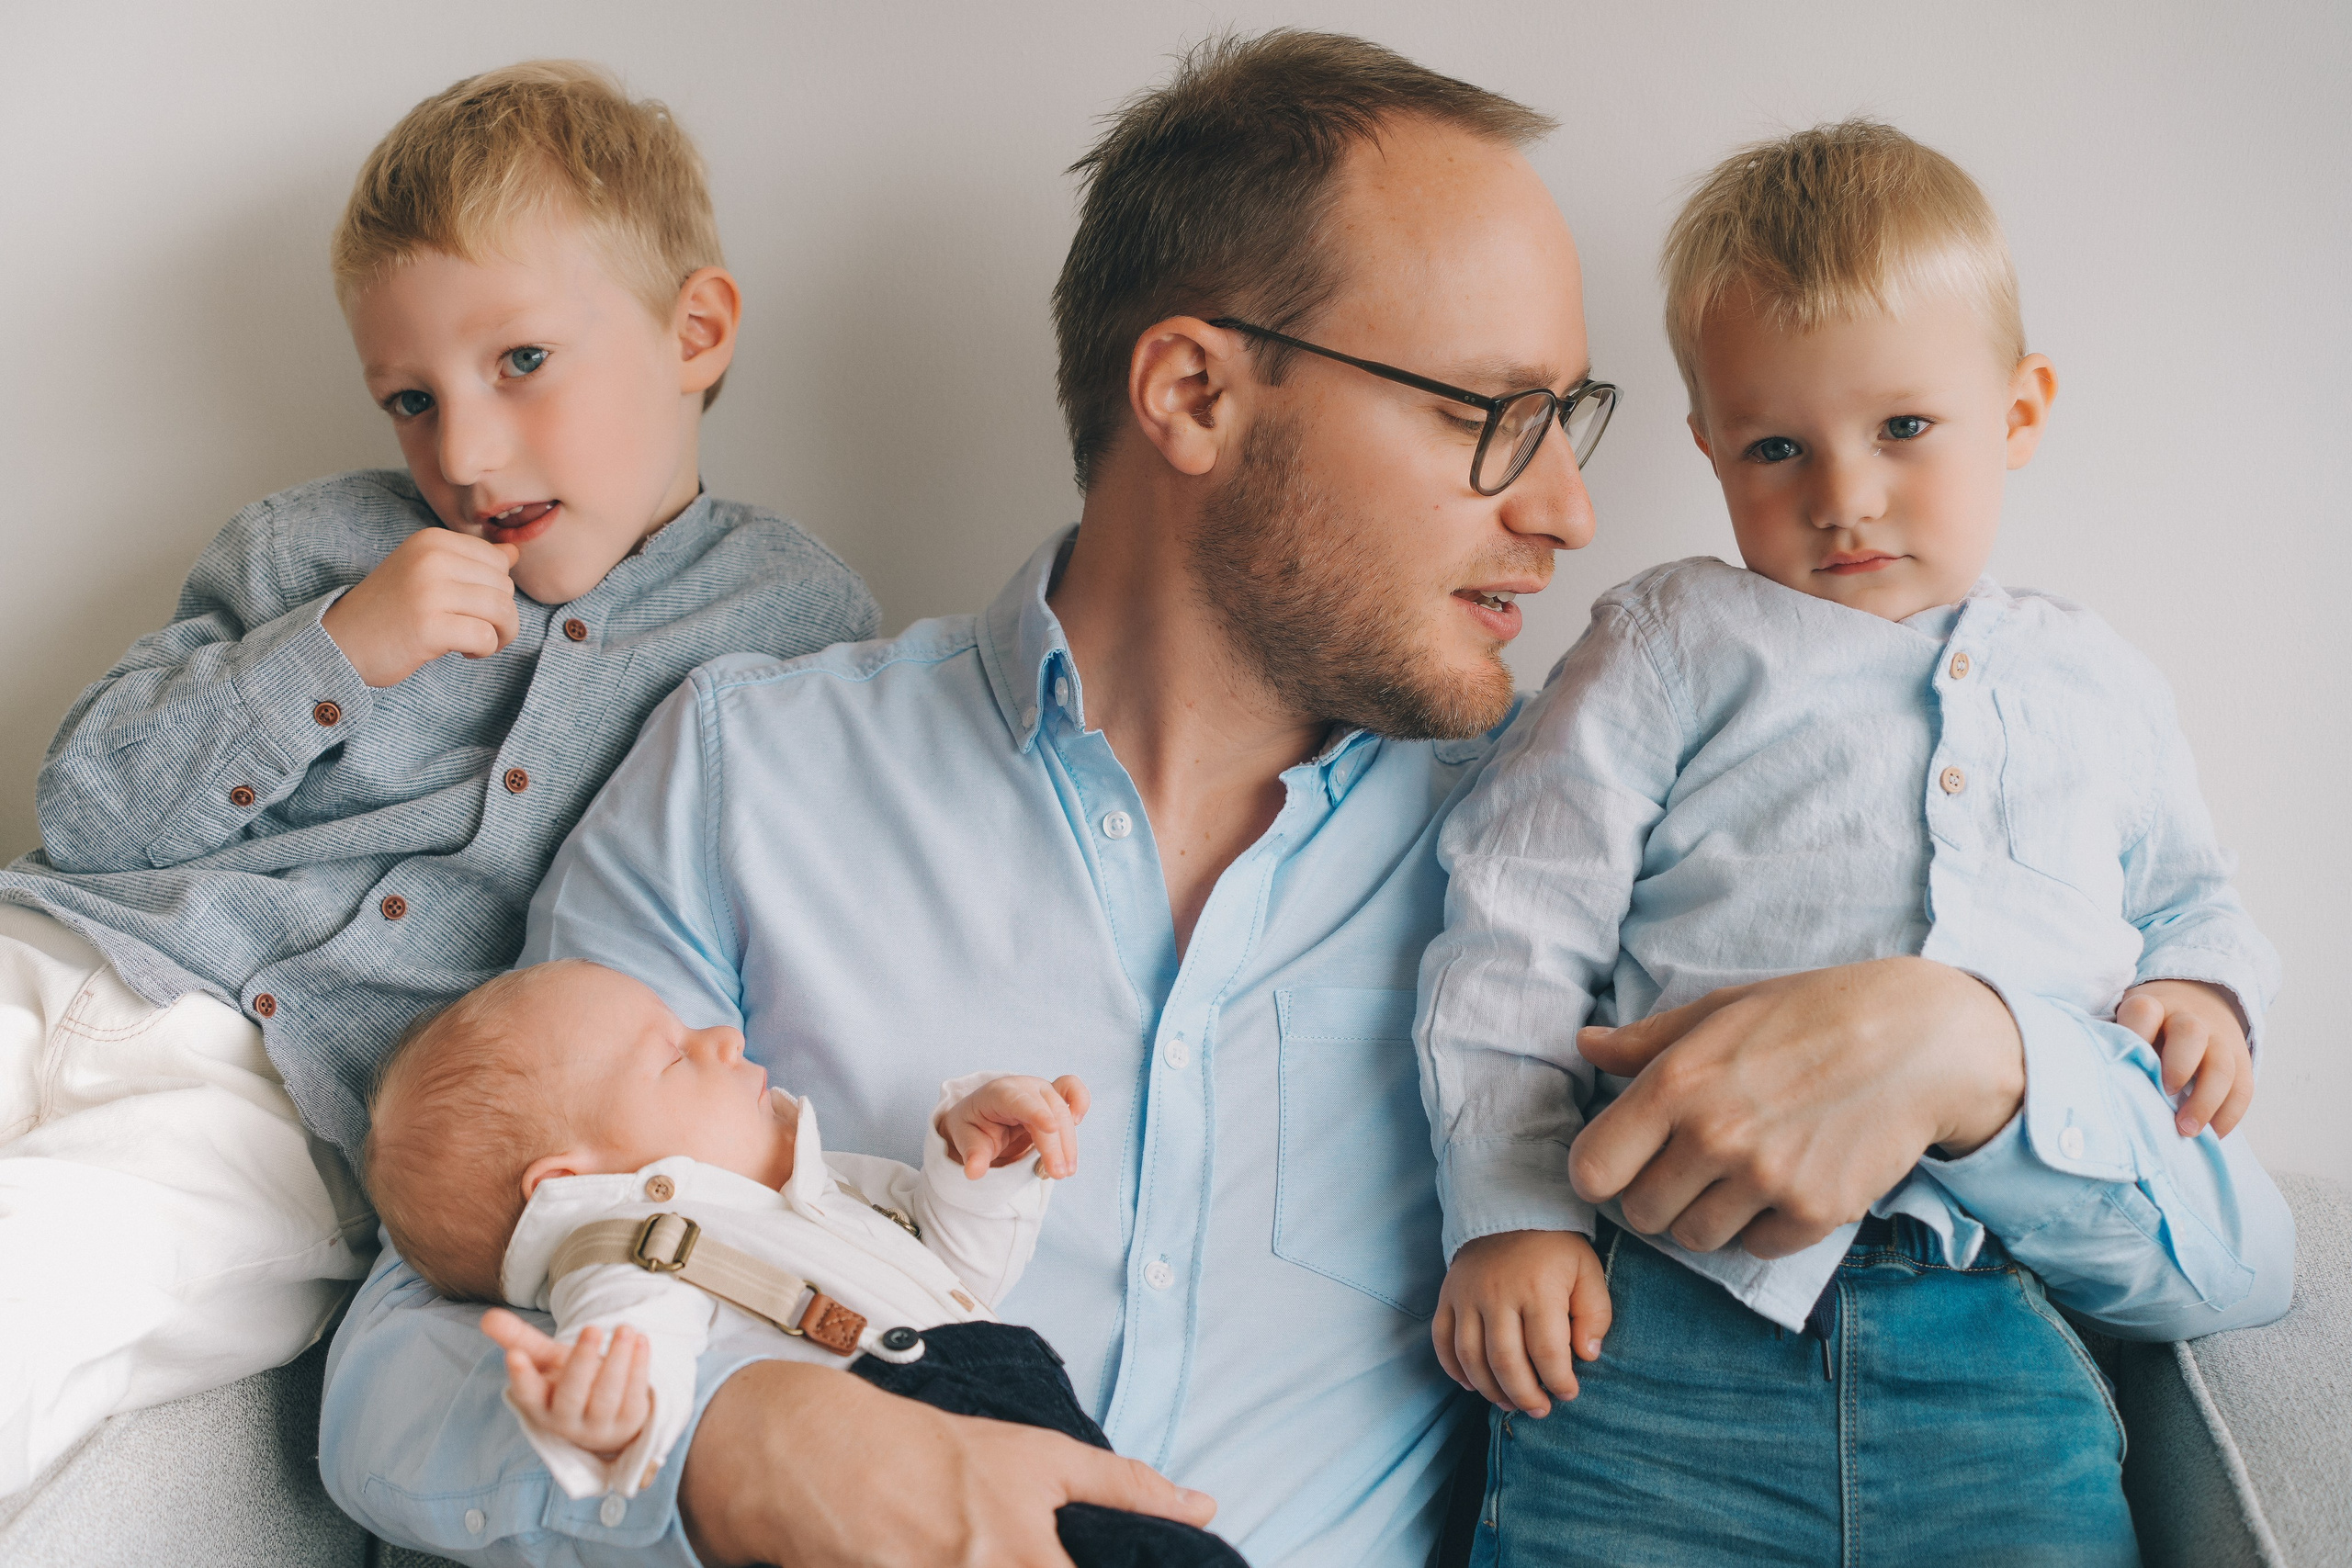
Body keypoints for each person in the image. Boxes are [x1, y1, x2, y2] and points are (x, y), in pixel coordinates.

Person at [323, 33, 2174, 1568]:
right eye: (1489, 416)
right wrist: (740, 1446)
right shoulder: (749, 770)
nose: (1563, 513)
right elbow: (400, 1360)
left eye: (1568, 424)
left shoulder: (1578, 843)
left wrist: (1977, 1046)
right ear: (1193, 393)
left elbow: (2225, 1254)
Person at [1419, 120, 2291, 1565]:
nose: (1844, 494)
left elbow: (2192, 894)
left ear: (2019, 410)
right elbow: (1515, 928)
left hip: (1995, 1339)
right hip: (1657, 1344)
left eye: (1903, 427)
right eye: (1776, 445)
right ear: (1707, 446)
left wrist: (2205, 990)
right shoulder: (1669, 639)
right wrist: (1508, 1213)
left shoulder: (2100, 683)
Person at [0, 62, 876, 1496]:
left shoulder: (793, 626)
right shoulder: (315, 547)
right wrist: (331, 654)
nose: (463, 453)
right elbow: (90, 807)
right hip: (60, 951)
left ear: (695, 331)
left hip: (287, 1106)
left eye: (521, 361)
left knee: (40, 1283)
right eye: (412, 397)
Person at [364, 959, 1245, 1565]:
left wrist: (979, 1167)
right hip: (909, 1437)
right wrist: (605, 1421)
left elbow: (959, 1279)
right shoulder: (629, 1243)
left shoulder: (807, 1187)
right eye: (672, 1055)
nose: (718, 1034)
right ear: (574, 1180)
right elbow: (640, 1360)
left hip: (1007, 1408)